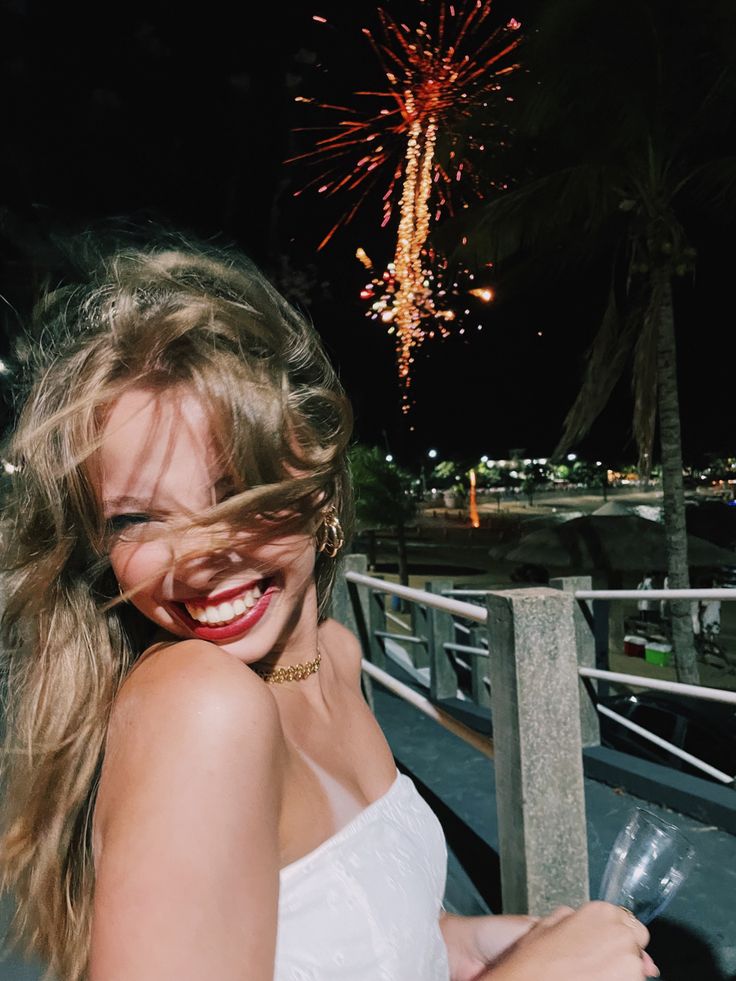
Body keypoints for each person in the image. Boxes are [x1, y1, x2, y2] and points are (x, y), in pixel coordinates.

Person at [0, 243, 657, 981]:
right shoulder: (200, 705)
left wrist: (489, 946)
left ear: (317, 491)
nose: (197, 556)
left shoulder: (335, 656)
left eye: (234, 490)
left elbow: (379, 936)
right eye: (138, 519)